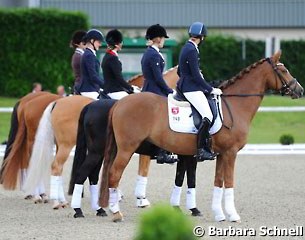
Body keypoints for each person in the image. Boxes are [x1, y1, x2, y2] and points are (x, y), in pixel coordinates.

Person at [176, 21, 222, 161]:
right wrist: (210, 89)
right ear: (201, 37)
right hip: (190, 88)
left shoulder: (187, 47)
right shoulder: (192, 49)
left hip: (186, 86)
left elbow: (179, 71)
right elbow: (195, 76)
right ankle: (201, 149)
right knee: (207, 115)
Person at [141, 24, 176, 164]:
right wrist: (169, 91)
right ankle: (161, 152)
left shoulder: (149, 52)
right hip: (154, 91)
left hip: (150, 88)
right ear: (157, 39)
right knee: (166, 116)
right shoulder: (153, 54)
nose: (164, 41)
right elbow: (158, 77)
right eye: (163, 38)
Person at [102, 29, 134, 100]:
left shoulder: (107, 56)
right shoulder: (113, 58)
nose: (122, 43)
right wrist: (131, 88)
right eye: (121, 42)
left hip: (111, 89)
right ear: (117, 44)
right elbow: (119, 78)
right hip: (114, 91)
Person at [77, 29, 105, 100]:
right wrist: (106, 85)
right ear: (92, 41)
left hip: (91, 88)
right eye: (99, 42)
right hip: (89, 90)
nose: (100, 44)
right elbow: (93, 76)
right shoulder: (89, 55)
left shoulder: (89, 54)